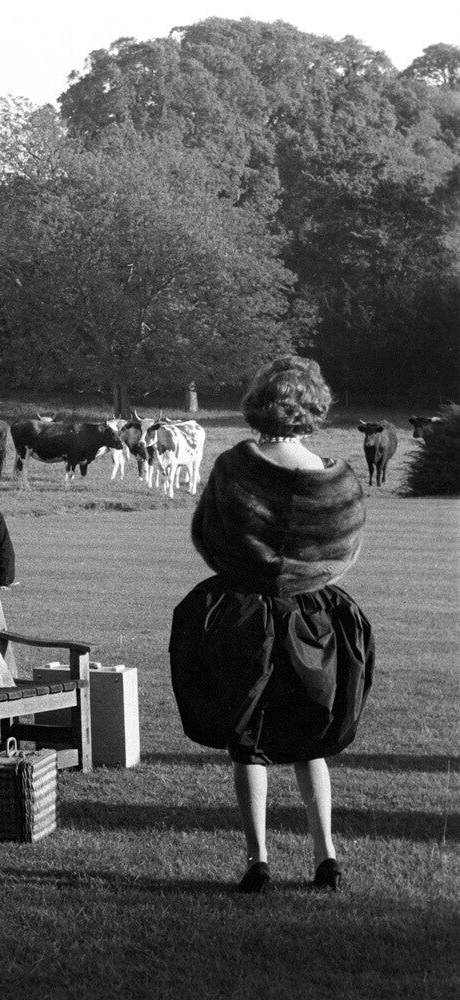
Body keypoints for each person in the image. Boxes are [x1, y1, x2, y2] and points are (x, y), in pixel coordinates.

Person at [169, 355, 374, 893]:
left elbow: (207, 534)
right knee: (311, 739)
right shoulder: (340, 479)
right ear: (314, 408)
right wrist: (304, 577)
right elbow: (345, 551)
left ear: (259, 404)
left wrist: (251, 570)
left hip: (242, 616)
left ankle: (258, 860)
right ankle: (325, 856)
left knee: (249, 740)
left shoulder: (237, 466)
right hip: (316, 618)